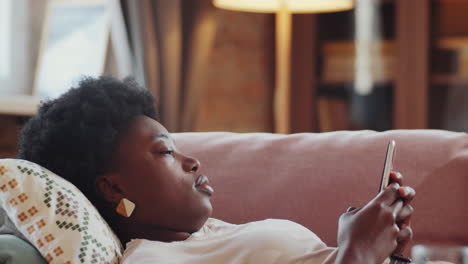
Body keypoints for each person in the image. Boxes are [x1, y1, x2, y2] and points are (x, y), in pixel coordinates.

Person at [17, 76, 415, 264]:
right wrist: (357, 251)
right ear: (114, 189)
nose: (193, 162)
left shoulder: (212, 235)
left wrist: (385, 251)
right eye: (165, 153)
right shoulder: (153, 261)